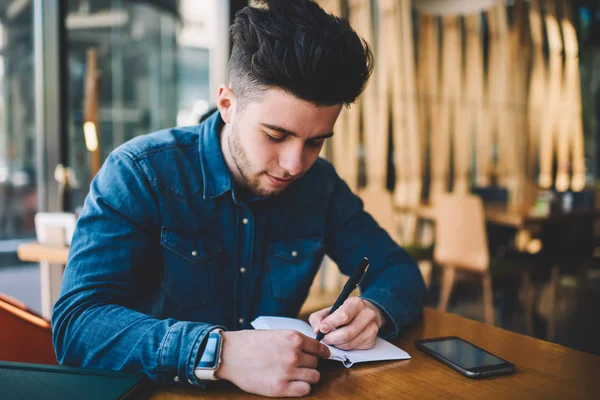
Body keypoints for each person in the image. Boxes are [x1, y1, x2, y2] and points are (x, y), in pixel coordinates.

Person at [52, 0, 425, 397]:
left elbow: (398, 270)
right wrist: (218, 352)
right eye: (276, 135)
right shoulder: (138, 173)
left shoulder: (321, 185)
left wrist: (373, 311)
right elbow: (77, 327)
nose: (295, 164)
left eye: (316, 142)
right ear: (228, 105)